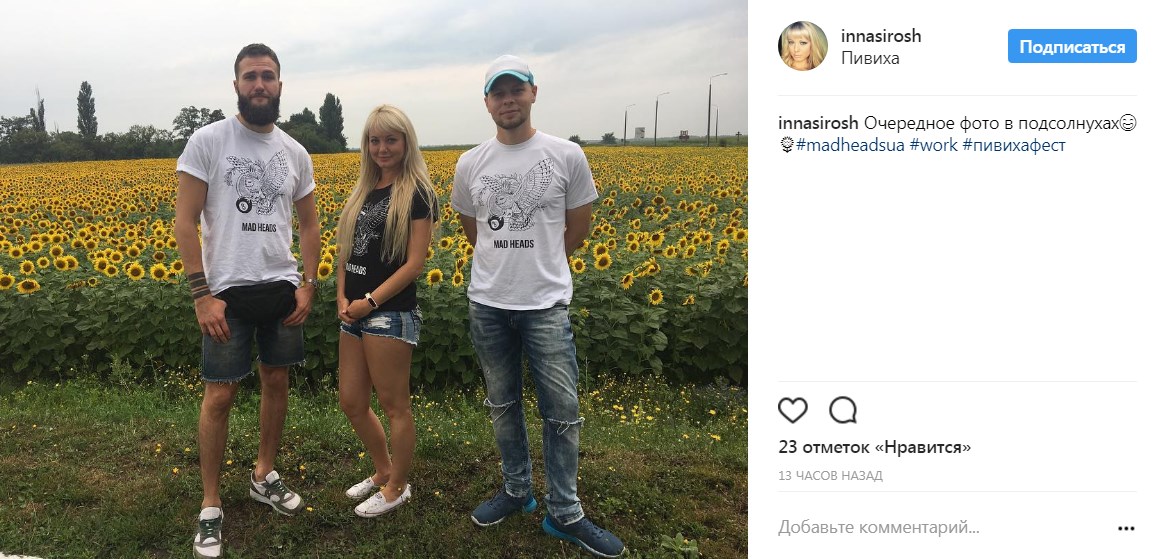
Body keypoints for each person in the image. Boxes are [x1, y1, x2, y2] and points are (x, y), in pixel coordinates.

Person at [451, 54, 625, 558]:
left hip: (545, 304)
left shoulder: (566, 155)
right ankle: (517, 490)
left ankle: (565, 511)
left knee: (562, 411)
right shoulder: (470, 163)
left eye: (516, 90)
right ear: (487, 102)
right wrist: (513, 258)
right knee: (502, 404)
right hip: (488, 303)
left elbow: (578, 227)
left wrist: (541, 260)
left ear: (533, 93)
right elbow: (474, 230)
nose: (508, 100)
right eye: (498, 92)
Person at [175, 43, 320, 559]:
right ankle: (211, 504)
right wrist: (201, 295)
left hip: (281, 289)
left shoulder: (295, 152)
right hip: (226, 294)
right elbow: (185, 222)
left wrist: (308, 283)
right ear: (236, 85)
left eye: (268, 76)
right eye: (251, 76)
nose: (260, 84)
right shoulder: (208, 141)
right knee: (219, 396)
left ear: (280, 85)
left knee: (276, 382)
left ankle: (264, 474)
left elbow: (309, 224)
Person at [334, 104, 438, 517]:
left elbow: (415, 264)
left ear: (406, 142)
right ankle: (383, 470)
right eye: (374, 140)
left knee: (396, 406)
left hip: (389, 314)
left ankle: (397, 487)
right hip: (354, 312)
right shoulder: (364, 189)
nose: (382, 148)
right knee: (351, 402)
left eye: (391, 139)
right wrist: (342, 298)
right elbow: (345, 251)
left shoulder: (417, 194)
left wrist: (370, 302)